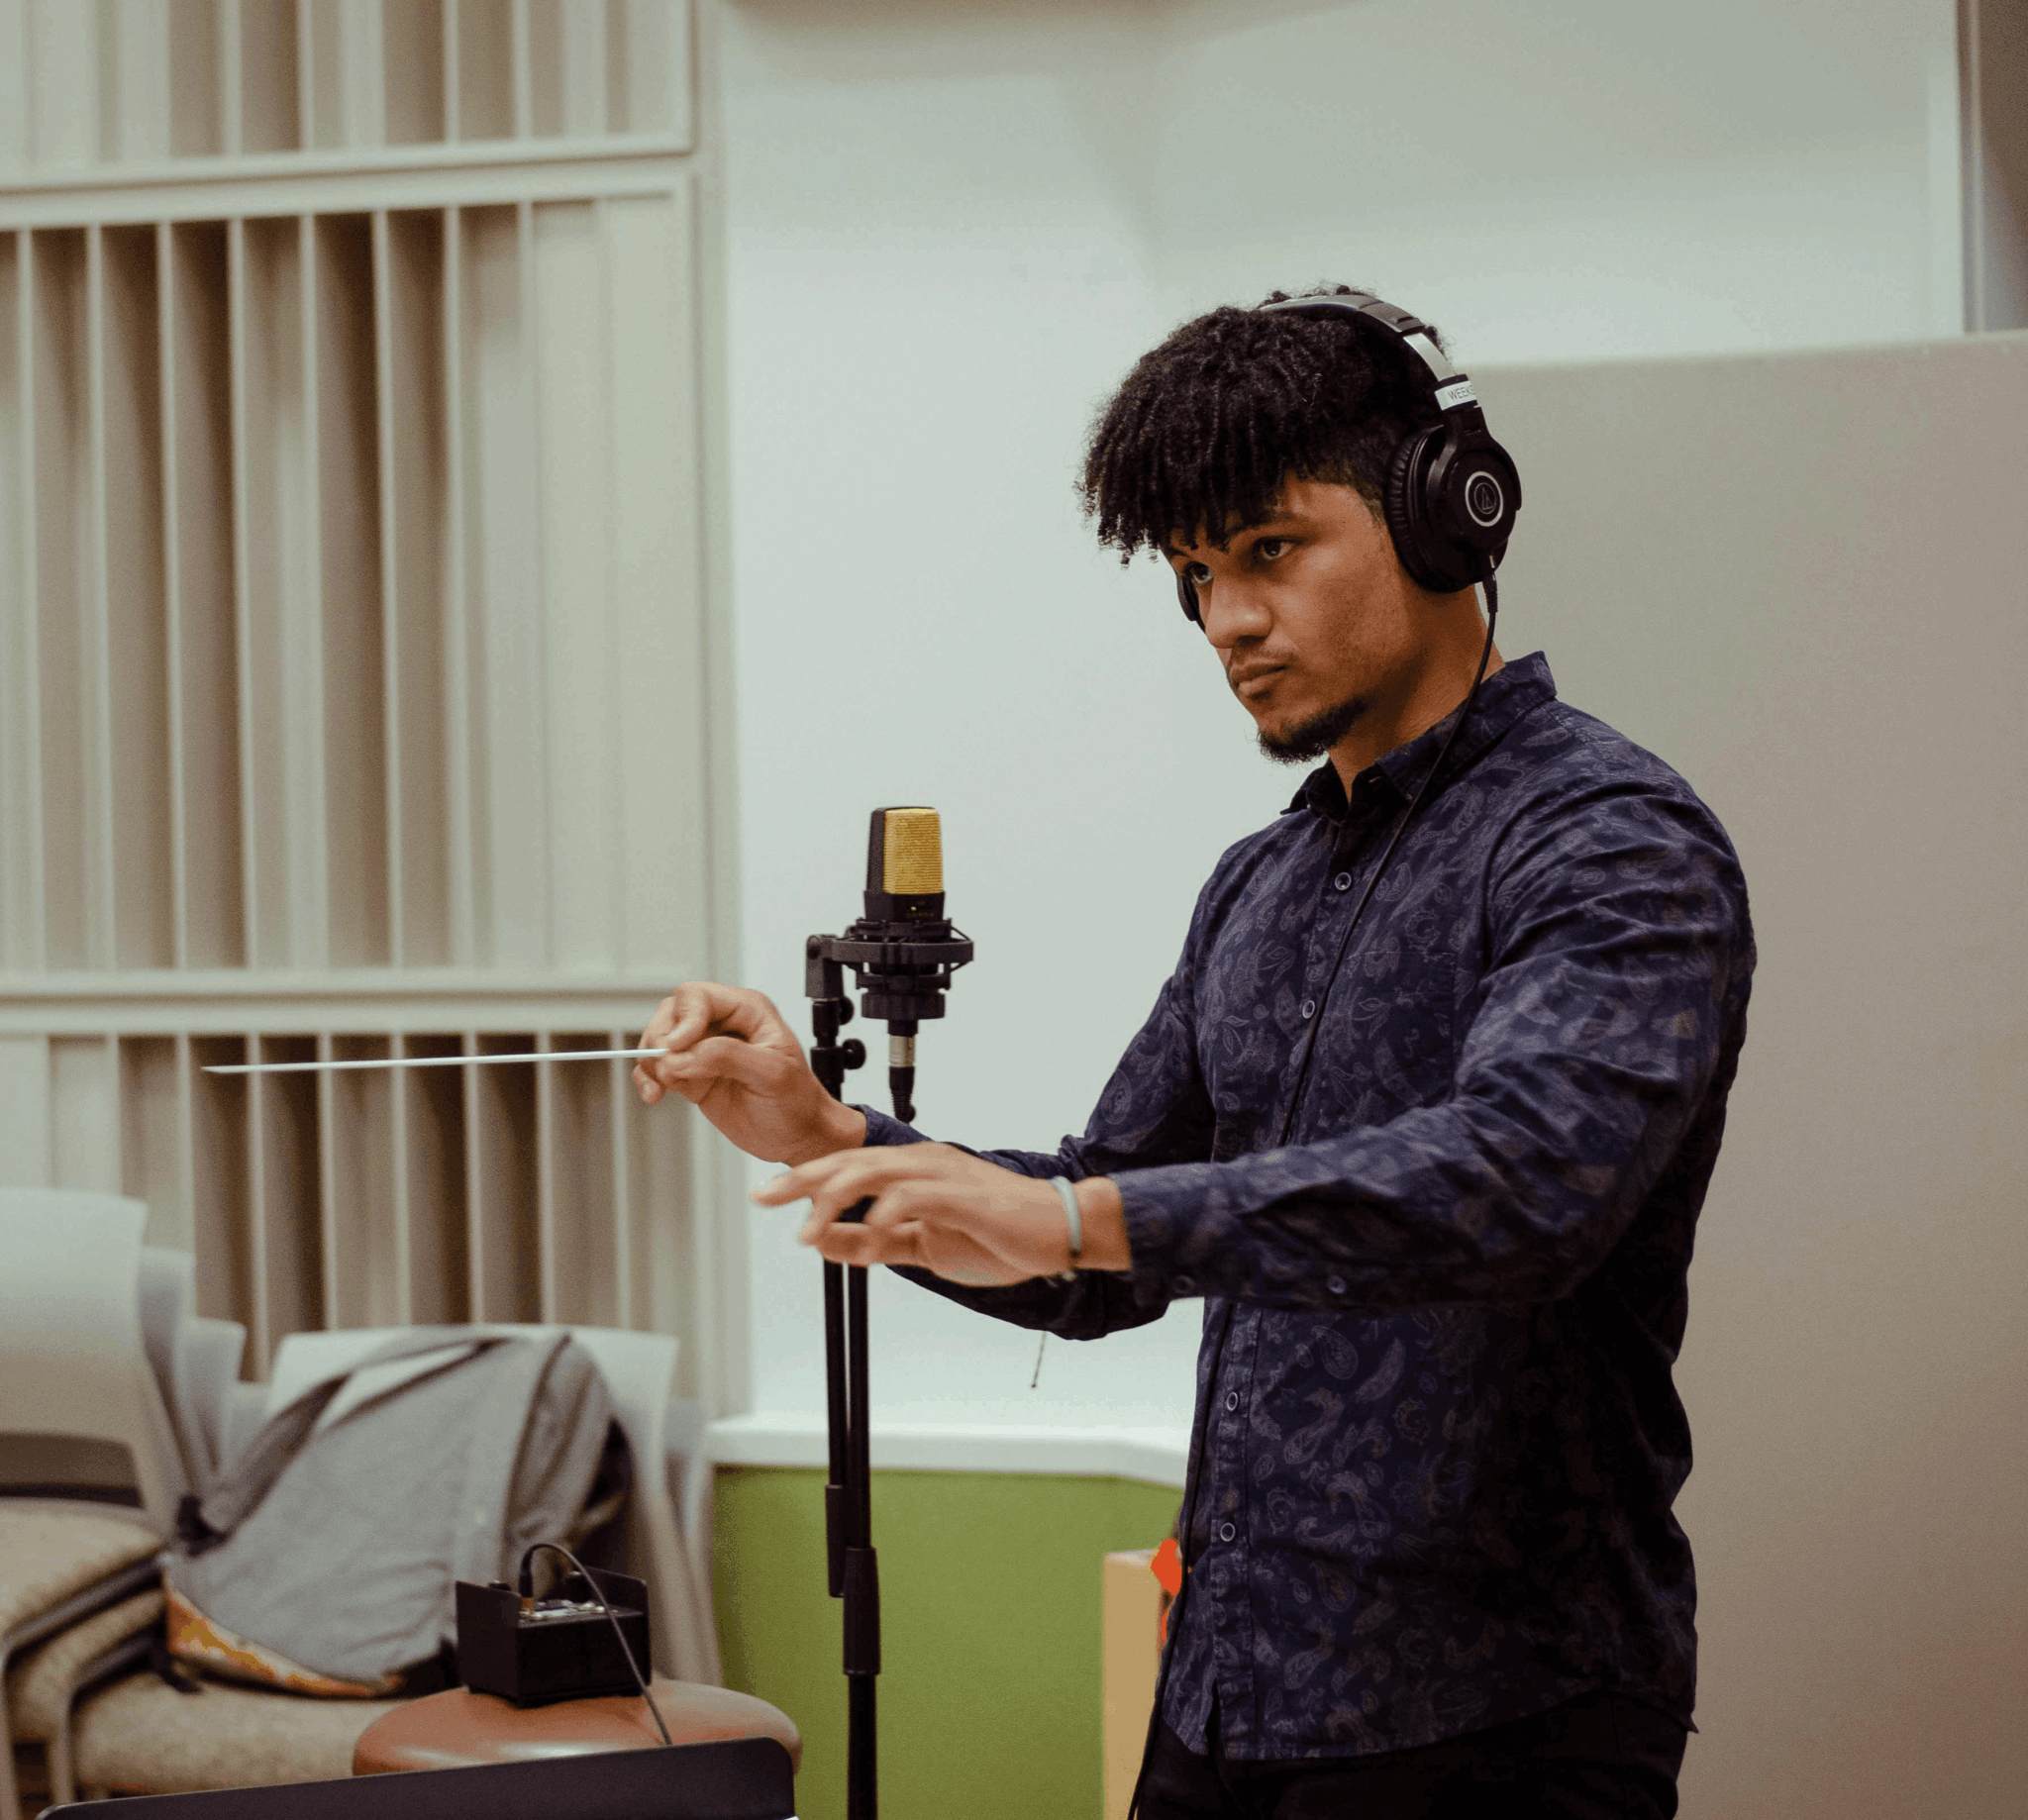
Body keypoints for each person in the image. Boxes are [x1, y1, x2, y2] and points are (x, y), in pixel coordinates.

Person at [634, 287, 1754, 1819]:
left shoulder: (1611, 838)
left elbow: (1524, 1183)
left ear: (1448, 511)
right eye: (1195, 575)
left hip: (1504, 1712)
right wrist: (828, 1135)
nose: (1227, 619)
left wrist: (1081, 1215)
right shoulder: (1258, 884)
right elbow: (1097, 1245)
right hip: (1226, 1692)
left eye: (1270, 549)